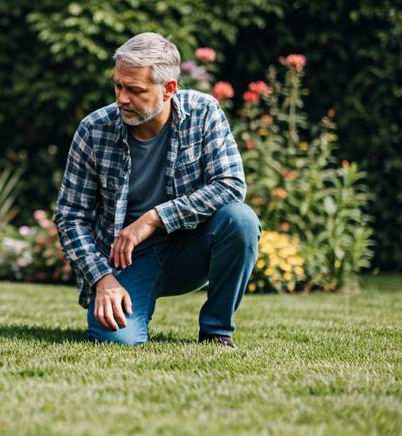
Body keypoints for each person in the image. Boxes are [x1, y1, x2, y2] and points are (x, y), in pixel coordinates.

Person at [54, 32, 260, 347]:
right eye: (118, 86)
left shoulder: (204, 113)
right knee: (116, 339)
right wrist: (102, 279)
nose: (122, 98)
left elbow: (230, 185)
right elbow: (71, 217)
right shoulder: (93, 130)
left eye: (135, 90)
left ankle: (217, 331)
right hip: (127, 260)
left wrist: (154, 218)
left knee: (240, 219)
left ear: (169, 89)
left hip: (193, 244)